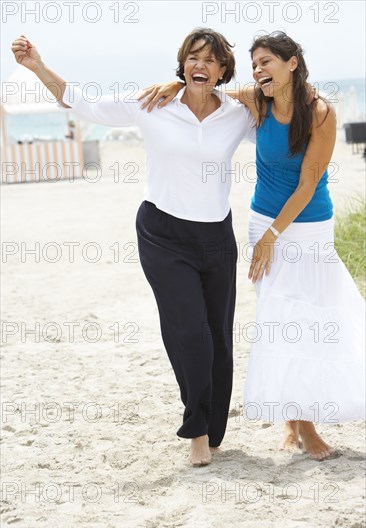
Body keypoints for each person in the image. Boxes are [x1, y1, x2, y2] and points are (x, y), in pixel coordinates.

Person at [11, 29, 256, 466]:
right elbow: (82, 100)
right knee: (189, 332)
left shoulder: (237, 113)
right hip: (163, 232)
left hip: (217, 236)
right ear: (182, 63)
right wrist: (37, 66)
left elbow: (291, 99)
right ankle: (197, 430)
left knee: (218, 335)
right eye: (192, 58)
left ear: (222, 70)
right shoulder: (153, 104)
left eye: (210, 60)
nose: (200, 65)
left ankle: (215, 429)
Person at [139, 31, 365, 460]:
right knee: (282, 321)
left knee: (312, 323)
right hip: (263, 224)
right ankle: (300, 426)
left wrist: (271, 238)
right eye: (255, 63)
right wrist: (175, 84)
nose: (259, 70)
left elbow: (308, 183)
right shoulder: (257, 101)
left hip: (307, 227)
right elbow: (207, 88)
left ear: (292, 63)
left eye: (267, 62)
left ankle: (302, 425)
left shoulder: (319, 113)